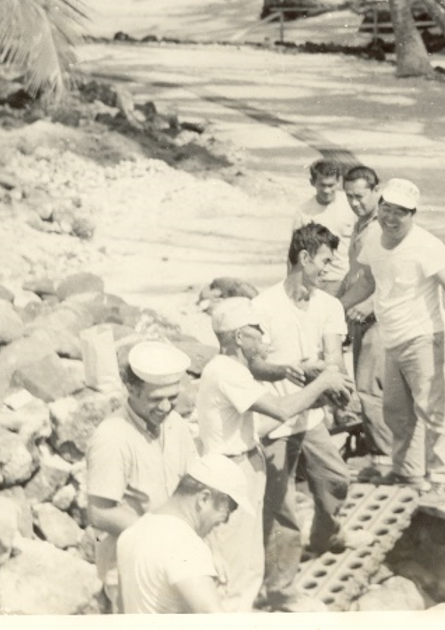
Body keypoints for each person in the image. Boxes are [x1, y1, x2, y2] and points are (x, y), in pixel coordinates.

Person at [195, 298, 349, 612]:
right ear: (239, 337)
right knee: (234, 562)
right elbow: (280, 410)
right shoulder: (227, 373)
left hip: (242, 466)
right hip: (232, 471)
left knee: (249, 558)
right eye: (256, 330)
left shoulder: (228, 368)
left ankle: (256, 601)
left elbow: (258, 380)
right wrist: (323, 382)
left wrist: (298, 371)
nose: (263, 336)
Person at [338, 179, 445, 506]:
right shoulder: (372, 237)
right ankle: (407, 471)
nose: (390, 217)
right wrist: (338, 305)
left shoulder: (427, 245)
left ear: (412, 214)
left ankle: (444, 481)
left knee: (435, 412)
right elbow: (370, 281)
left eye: (399, 212)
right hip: (392, 338)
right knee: (397, 411)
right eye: (386, 208)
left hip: (424, 338)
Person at [250, 224, 352, 560]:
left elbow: (334, 357)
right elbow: (252, 365)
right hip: (275, 417)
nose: (329, 269)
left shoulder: (329, 306)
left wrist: (326, 376)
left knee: (335, 479)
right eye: (324, 261)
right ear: (304, 258)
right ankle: (280, 587)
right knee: (282, 506)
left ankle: (325, 537)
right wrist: (288, 370)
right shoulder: (262, 306)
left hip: (310, 413)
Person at [84, 341, 199, 610]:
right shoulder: (113, 436)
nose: (166, 407)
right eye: (155, 399)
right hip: (132, 567)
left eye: (172, 397)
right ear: (131, 389)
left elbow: (193, 486)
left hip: (176, 561)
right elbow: (100, 512)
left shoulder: (176, 424)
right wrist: (162, 537)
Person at [116, 454, 254, 614]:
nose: (225, 521)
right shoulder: (185, 544)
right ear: (204, 499)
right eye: (229, 509)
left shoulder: (133, 532)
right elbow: (213, 617)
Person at [337, 165, 396, 479]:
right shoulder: (362, 223)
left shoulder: (385, 226)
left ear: (376, 190)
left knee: (371, 388)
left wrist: (369, 304)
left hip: (379, 317)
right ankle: (381, 454)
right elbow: (357, 272)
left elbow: (395, 275)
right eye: (349, 197)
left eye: (360, 196)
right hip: (359, 313)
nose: (355, 203)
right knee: (367, 387)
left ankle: (384, 459)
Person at [293, 159, 358, 292]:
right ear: (312, 183)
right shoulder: (303, 212)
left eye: (331, 185)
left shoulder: (352, 205)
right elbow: (295, 255)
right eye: (322, 185)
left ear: (339, 181)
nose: (327, 190)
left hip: (345, 280)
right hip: (315, 283)